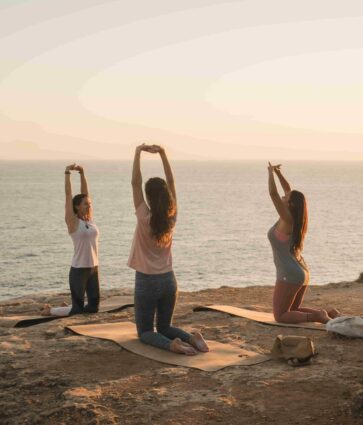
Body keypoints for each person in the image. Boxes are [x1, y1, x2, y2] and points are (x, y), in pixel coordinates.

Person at [129, 144, 209, 355]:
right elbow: (171, 181)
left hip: (147, 281)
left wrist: (138, 153)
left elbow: (135, 182)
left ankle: (171, 345)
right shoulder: (171, 217)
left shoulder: (144, 216)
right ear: (166, 196)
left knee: (145, 332)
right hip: (169, 281)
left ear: (149, 197)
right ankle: (193, 338)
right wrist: (164, 153)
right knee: (164, 326)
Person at [267, 162, 339, 324]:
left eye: (286, 198)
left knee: (281, 316)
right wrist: (278, 173)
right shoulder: (294, 219)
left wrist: (270, 172)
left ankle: (317, 316)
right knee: (292, 310)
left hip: (289, 273)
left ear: (290, 204)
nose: (284, 197)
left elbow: (273, 193)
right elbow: (287, 190)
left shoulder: (287, 219)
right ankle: (330, 314)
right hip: (301, 271)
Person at [41, 163, 100, 316]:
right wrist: (67, 173)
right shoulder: (73, 222)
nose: (89, 205)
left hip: (93, 268)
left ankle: (65, 307)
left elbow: (85, 193)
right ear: (77, 207)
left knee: (93, 308)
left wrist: (82, 173)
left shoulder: (90, 220)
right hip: (79, 269)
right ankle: (51, 310)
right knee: (77, 311)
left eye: (89, 204)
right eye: (85, 204)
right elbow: (68, 195)